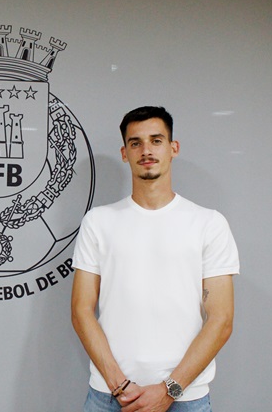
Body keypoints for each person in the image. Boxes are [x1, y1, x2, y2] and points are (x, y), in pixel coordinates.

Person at [71, 106, 239, 412]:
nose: (146, 150)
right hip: (109, 396)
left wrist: (169, 390)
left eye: (156, 140)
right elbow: (81, 311)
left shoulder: (209, 224)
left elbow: (221, 320)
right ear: (125, 153)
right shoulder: (98, 222)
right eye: (136, 143)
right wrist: (119, 385)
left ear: (173, 148)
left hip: (185, 398)